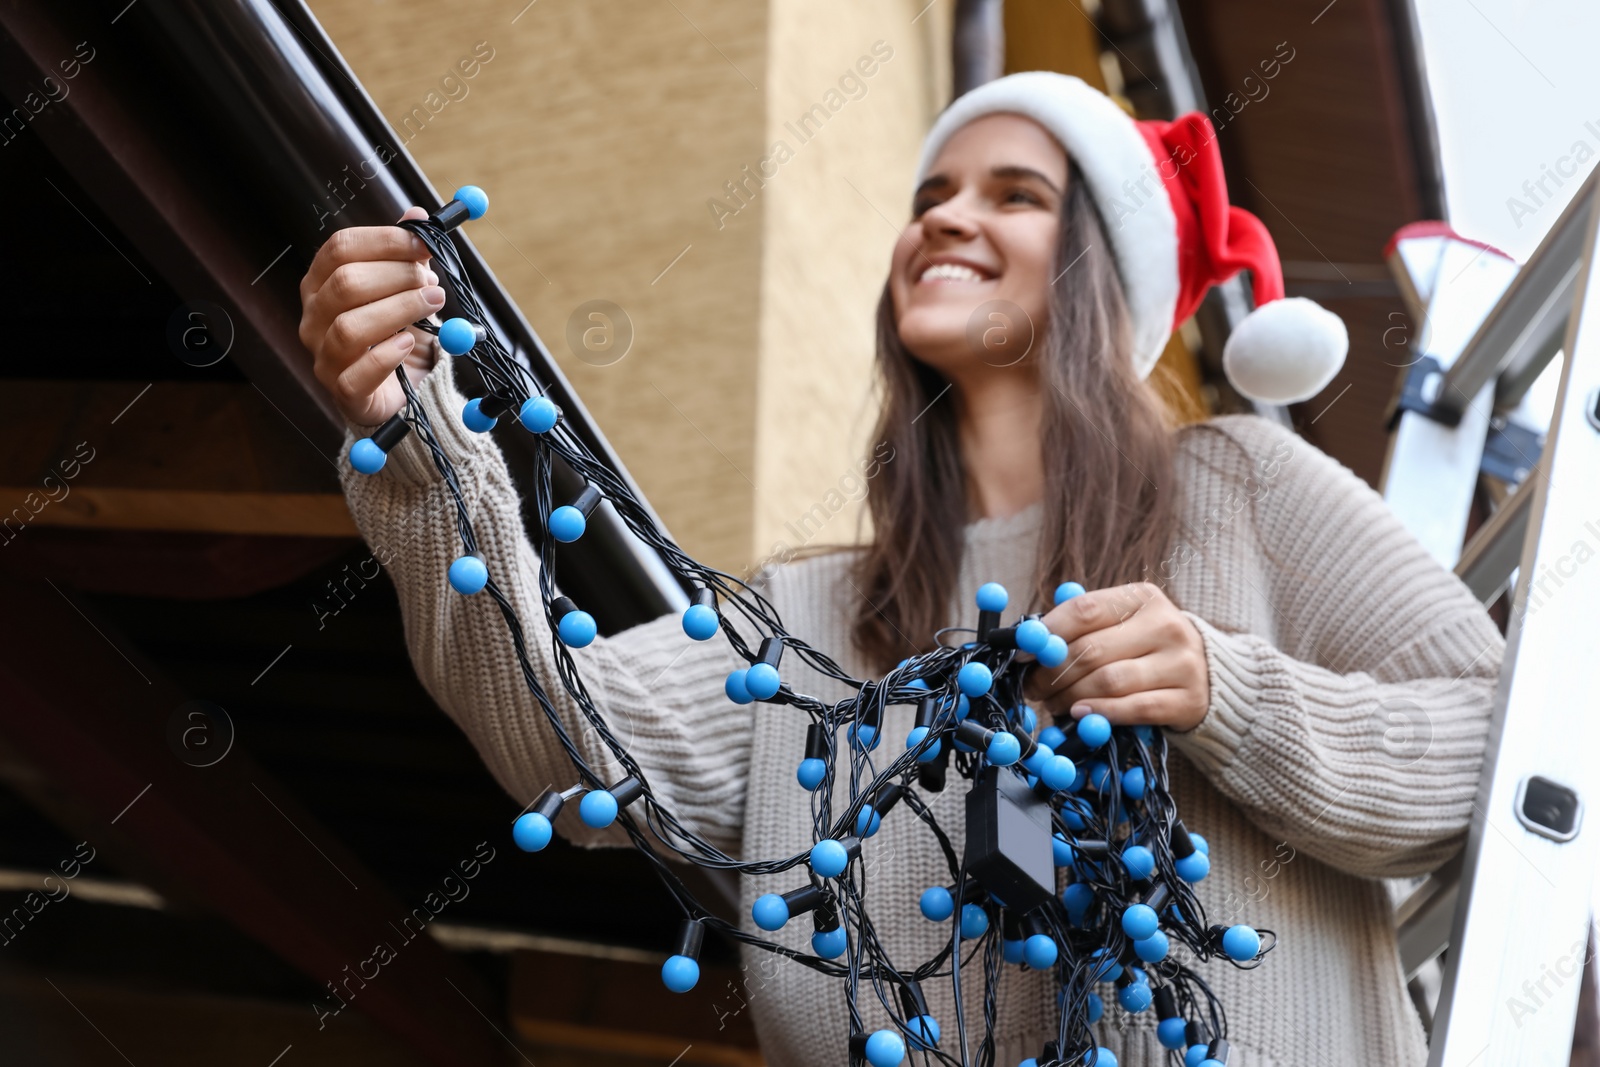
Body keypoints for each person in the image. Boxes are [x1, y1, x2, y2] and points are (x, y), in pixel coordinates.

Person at [298, 72, 1503, 1067]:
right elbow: (562, 740)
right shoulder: (810, 617)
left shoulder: (1241, 487)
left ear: (1101, 271)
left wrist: (1224, 691)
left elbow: (1486, 754)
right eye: (930, 193)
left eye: (1014, 194)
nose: (945, 217)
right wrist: (419, 443)